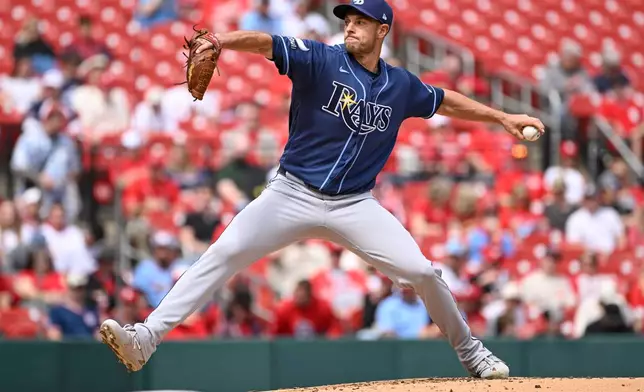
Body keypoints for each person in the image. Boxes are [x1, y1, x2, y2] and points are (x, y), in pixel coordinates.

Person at [100, 0, 545, 378]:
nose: (350, 25)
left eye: (361, 20)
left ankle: (472, 354)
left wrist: (504, 118)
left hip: (355, 204)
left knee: (424, 273)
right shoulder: (321, 59)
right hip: (291, 194)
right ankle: (145, 338)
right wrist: (221, 41)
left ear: (382, 30)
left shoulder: (400, 86)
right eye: (347, 19)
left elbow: (444, 99)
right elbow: (267, 43)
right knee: (223, 252)